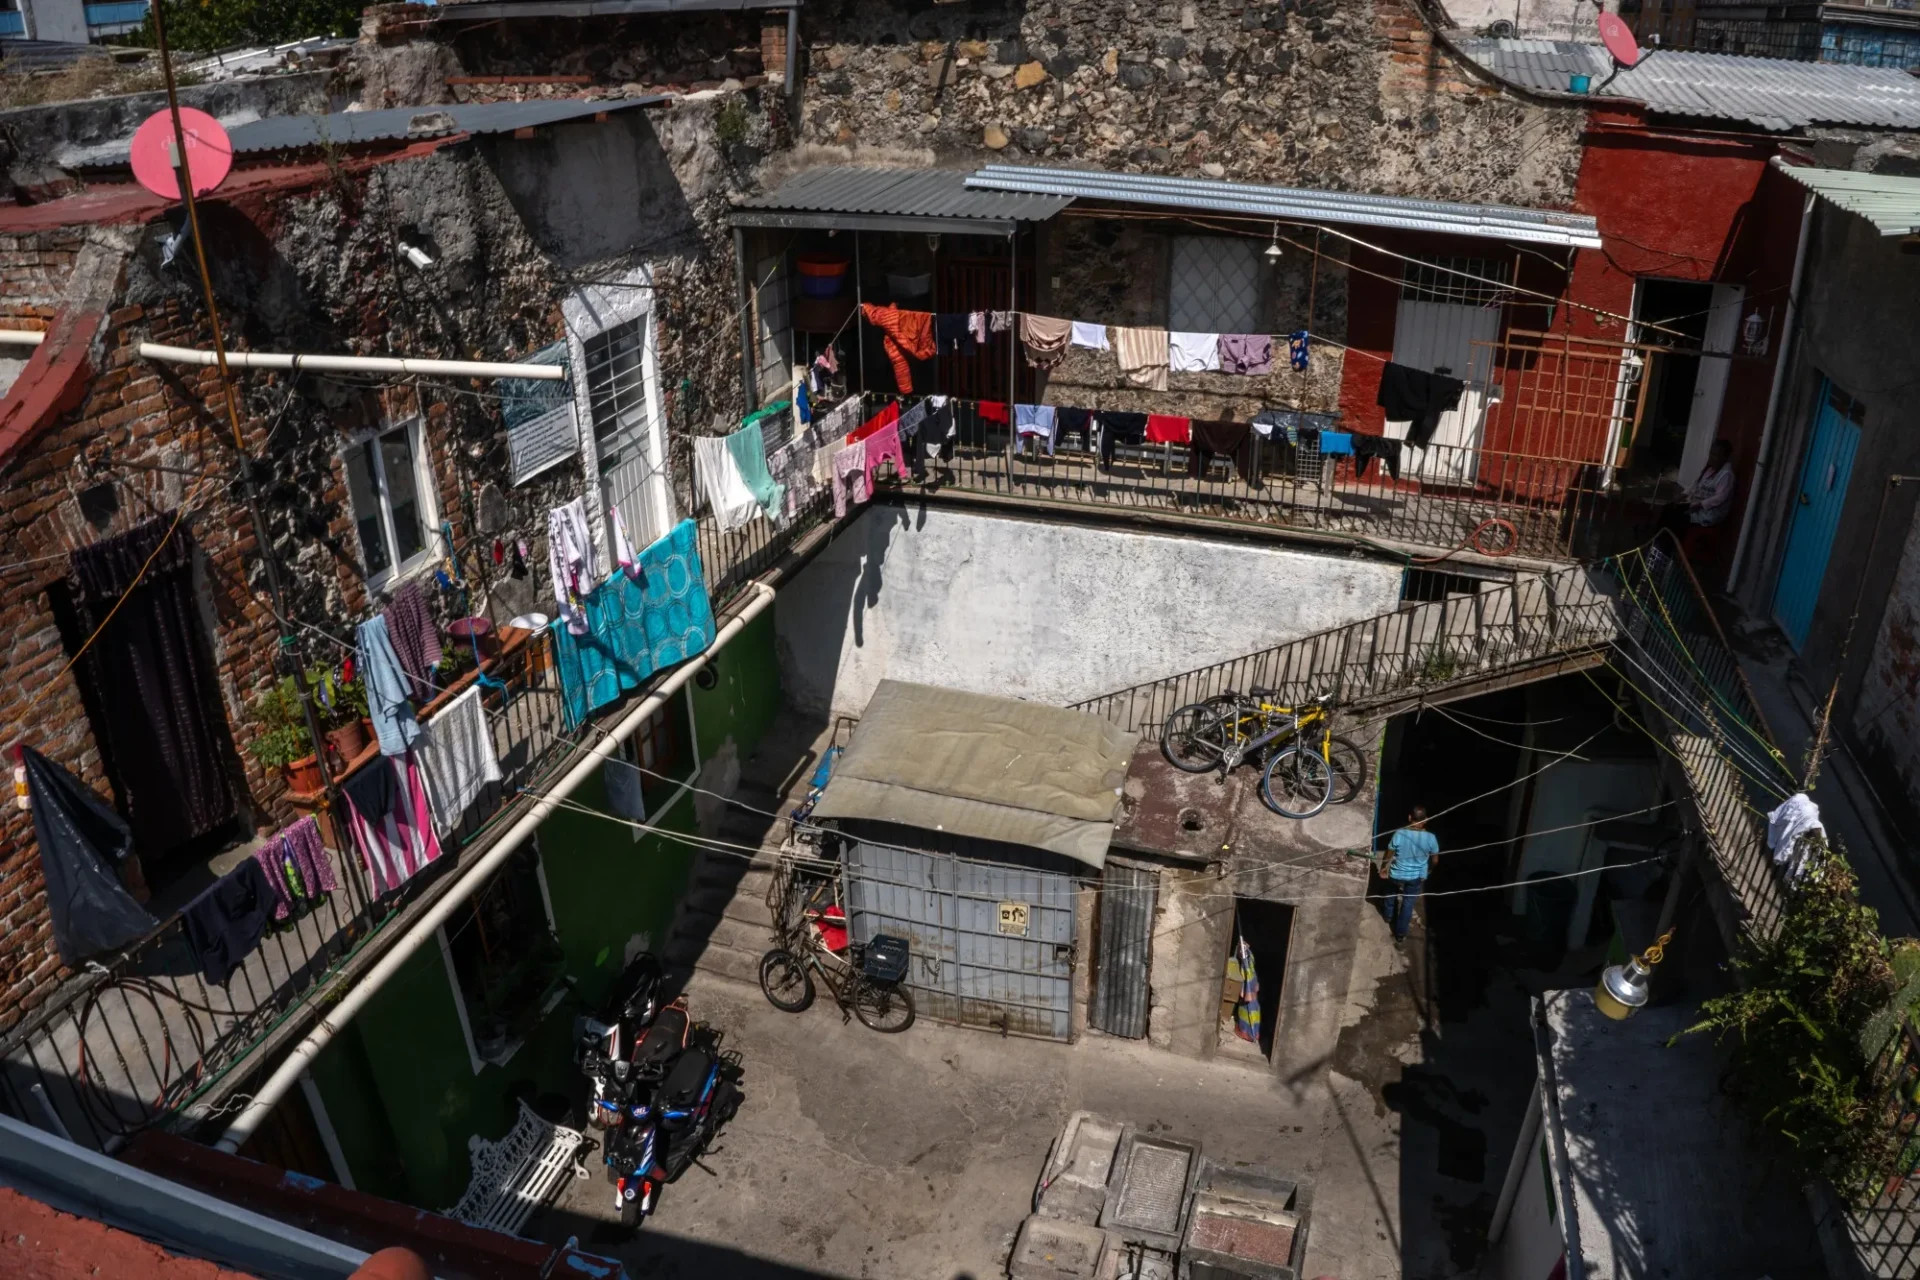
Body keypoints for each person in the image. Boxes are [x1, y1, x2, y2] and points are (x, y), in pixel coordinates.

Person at [1378, 806, 1439, 944]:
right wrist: (1429, 870)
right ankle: (1400, 934)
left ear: (1410, 818)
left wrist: (1383, 868)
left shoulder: (1399, 834)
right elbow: (1435, 860)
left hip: (1397, 873)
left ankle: (1387, 916)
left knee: (1390, 891)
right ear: (1426, 820)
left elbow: (1389, 852)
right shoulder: (1431, 838)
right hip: (1416, 877)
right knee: (1408, 903)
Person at [1686, 439, 1737, 528]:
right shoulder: (1710, 470)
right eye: (1711, 454)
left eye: (1715, 455)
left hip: (1711, 514)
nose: (1711, 457)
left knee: (1680, 519)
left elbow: (1720, 497)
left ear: (1724, 457)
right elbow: (1696, 485)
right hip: (1698, 507)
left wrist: (1701, 505)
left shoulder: (1726, 474)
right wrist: (1684, 494)